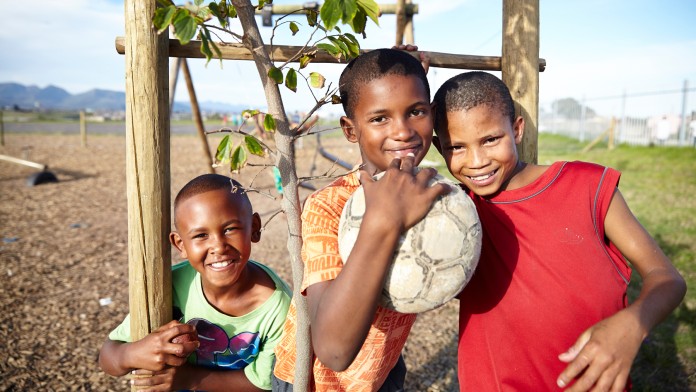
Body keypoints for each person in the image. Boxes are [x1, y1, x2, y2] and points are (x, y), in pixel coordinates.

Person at [431, 71, 687, 391]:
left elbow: (667, 279)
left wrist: (632, 326)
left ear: (517, 129)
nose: (477, 160)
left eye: (491, 139)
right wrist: (411, 76)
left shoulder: (586, 187)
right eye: (457, 147)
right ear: (439, 148)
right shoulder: (454, 213)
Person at [272, 48, 449, 391]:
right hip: (311, 382)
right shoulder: (329, 206)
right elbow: (333, 351)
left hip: (382, 369)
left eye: (416, 112)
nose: (403, 132)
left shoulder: (435, 197)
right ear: (350, 131)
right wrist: (385, 221)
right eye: (380, 118)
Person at [98, 174, 292, 391]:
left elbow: (264, 382)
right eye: (201, 235)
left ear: (254, 228)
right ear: (180, 244)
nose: (218, 246)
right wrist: (134, 354)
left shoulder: (277, 307)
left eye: (230, 229)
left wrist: (188, 379)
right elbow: (108, 357)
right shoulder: (168, 287)